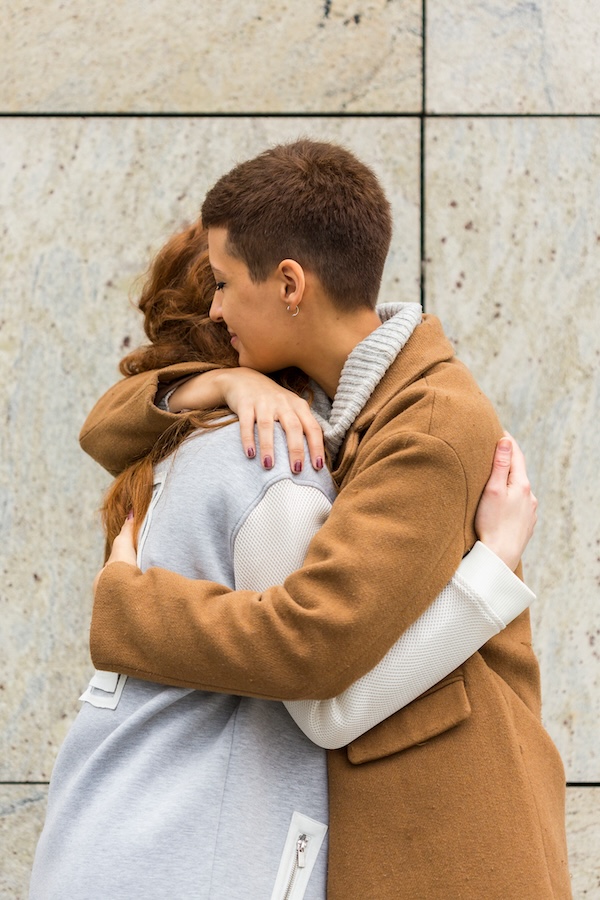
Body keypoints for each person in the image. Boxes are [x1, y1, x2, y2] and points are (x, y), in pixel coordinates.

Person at [80, 141, 570, 898]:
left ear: (288, 285)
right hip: (393, 822)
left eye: (223, 283)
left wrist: (128, 606)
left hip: (449, 835)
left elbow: (311, 649)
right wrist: (222, 381)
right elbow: (104, 430)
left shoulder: (430, 426)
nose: (213, 308)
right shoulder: (320, 393)